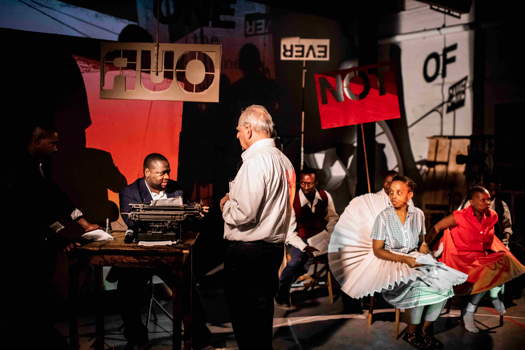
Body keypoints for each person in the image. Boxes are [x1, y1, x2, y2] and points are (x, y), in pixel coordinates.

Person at [7, 121, 102, 349]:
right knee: (28, 300)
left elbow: (56, 198)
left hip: (40, 241)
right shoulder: (17, 170)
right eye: (53, 143)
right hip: (23, 246)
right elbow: (31, 215)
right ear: (37, 140)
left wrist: (84, 223)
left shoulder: (40, 165)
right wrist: (60, 236)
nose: (57, 148)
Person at [219, 105, 304, 350]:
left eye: (238, 130)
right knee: (261, 318)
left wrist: (225, 205)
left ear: (248, 129)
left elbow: (245, 213)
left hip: (248, 251)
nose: (236, 136)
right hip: (270, 250)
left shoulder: (256, 161)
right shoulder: (284, 160)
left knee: (245, 321)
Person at [116, 153, 213, 350]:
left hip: (170, 251)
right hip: (143, 253)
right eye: (161, 173)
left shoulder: (176, 188)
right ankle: (137, 338)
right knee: (126, 290)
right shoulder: (130, 192)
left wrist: (196, 213)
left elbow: (186, 221)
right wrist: (169, 215)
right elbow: (132, 221)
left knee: (188, 289)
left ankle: (197, 339)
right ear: (147, 172)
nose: (166, 177)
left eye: (168, 172)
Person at [427, 185, 525, 333]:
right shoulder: (459, 216)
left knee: (501, 262)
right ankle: (428, 322)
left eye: (489, 200)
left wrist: (503, 244)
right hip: (457, 259)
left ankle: (470, 311)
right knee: (446, 287)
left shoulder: (492, 216)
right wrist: (425, 246)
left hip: (477, 260)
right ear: (472, 202)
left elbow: (492, 238)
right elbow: (436, 227)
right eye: (483, 200)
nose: (487, 202)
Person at [275, 168, 338, 307]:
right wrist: (304, 246)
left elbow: (333, 218)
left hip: (321, 238)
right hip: (299, 239)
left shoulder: (324, 196)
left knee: (340, 256)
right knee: (296, 262)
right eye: (303, 183)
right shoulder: (293, 201)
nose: (306, 187)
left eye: (310, 183)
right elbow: (289, 233)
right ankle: (282, 292)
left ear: (316, 183)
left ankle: (343, 292)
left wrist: (330, 233)